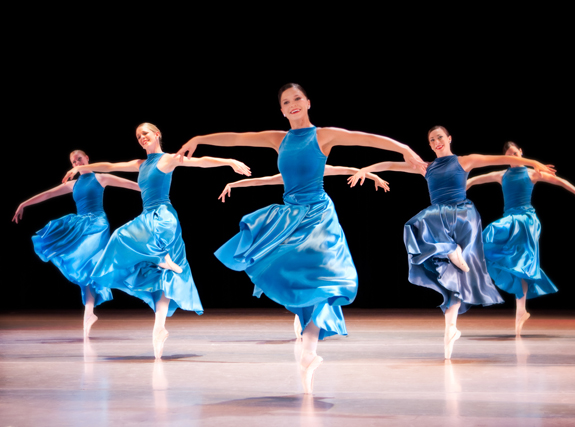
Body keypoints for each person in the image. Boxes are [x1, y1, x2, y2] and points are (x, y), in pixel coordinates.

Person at [176, 83, 427, 393]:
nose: (292, 104)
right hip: (290, 216)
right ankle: (307, 340)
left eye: (297, 99)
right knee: (290, 273)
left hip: (319, 216)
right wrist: (200, 138)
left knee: (328, 281)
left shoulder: (323, 135)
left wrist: (404, 149)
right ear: (281, 110)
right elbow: (237, 138)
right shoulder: (278, 139)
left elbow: (368, 139)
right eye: (286, 101)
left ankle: (309, 349)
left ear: (308, 102)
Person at [349, 126, 556, 359]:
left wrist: (533, 162)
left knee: (421, 228)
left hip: (461, 216)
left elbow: (502, 158)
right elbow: (390, 164)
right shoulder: (425, 167)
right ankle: (451, 328)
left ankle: (451, 251)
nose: (436, 141)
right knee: (450, 273)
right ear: (429, 145)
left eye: (440, 137)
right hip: (439, 217)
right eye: (431, 140)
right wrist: (365, 170)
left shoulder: (464, 161)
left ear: (449, 139)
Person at [62, 123, 251, 358]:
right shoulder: (140, 164)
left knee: (139, 252)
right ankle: (160, 307)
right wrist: (82, 169)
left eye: (146, 134)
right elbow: (110, 165)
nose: (142, 138)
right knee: (137, 251)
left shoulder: (168, 159)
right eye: (138, 136)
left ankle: (161, 284)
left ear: (157, 134)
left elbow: (199, 161)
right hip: (147, 217)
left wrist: (229, 161)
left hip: (163, 218)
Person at [218, 165, 390, 340]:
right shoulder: (288, 173)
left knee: (322, 262)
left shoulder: (318, 168)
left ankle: (319, 305)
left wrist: (372, 176)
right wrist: (234, 184)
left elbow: (347, 170)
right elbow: (264, 180)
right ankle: (302, 308)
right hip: (296, 218)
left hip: (321, 215)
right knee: (292, 259)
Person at [467, 141, 575, 335]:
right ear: (506, 158)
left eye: (516, 153)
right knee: (516, 264)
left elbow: (560, 182)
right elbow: (474, 180)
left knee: (522, 264)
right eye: (510, 155)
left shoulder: (532, 173)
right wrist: (461, 187)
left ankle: (520, 311)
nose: (515, 157)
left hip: (526, 221)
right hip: (511, 220)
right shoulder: (501, 175)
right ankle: (521, 310)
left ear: (522, 153)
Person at [13, 150, 140, 337]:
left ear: (87, 158)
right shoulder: (73, 184)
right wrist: (24, 203)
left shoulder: (101, 178)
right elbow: (48, 194)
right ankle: (89, 313)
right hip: (81, 224)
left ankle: (120, 282)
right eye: (73, 161)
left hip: (97, 225)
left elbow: (132, 185)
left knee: (93, 265)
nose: (76, 162)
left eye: (79, 158)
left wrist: (153, 190)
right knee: (85, 269)